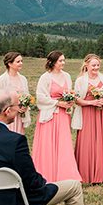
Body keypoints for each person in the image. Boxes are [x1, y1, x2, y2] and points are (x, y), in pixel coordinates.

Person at [32, 51, 81, 182]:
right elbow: (41, 97)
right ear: (52, 62)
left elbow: (69, 92)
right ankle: (47, 173)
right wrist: (58, 103)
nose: (63, 63)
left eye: (64, 60)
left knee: (63, 143)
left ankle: (65, 174)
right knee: (48, 143)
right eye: (60, 61)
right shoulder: (45, 77)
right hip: (50, 114)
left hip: (63, 115)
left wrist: (70, 101)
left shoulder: (67, 76)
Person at [72, 54, 103, 184]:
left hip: (99, 113)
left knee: (99, 139)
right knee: (86, 140)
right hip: (87, 112)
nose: (96, 67)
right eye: (93, 65)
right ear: (86, 65)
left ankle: (99, 174)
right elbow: (76, 99)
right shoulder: (81, 80)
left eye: (98, 65)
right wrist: (91, 103)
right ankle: (85, 174)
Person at [0, 52, 30, 135]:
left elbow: (27, 95)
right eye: (18, 61)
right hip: (6, 116)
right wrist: (11, 107)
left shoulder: (23, 79)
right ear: (9, 63)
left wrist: (25, 106)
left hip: (19, 116)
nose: (21, 63)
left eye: (21, 61)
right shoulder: (2, 79)